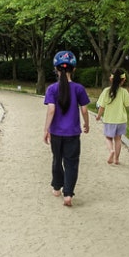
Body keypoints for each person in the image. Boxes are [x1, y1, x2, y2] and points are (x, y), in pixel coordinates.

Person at [43, 50, 91, 207]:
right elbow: (84, 110)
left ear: (56, 69)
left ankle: (57, 188)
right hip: (73, 133)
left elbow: (51, 110)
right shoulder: (79, 88)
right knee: (71, 163)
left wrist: (46, 129)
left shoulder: (52, 89)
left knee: (57, 160)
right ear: (74, 69)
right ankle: (68, 194)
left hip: (56, 133)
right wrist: (86, 123)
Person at [96, 68, 129, 165]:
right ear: (123, 80)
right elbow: (128, 105)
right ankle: (116, 159)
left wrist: (98, 116)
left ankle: (111, 151)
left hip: (109, 119)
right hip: (121, 120)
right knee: (118, 139)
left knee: (108, 138)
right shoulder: (124, 92)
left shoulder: (106, 91)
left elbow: (102, 106)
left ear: (111, 79)